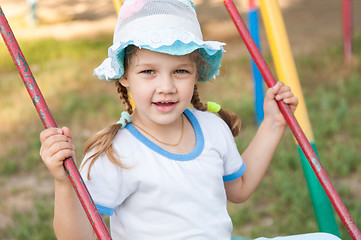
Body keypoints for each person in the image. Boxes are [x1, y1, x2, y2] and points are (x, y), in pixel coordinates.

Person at [39, 0, 341, 239]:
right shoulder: (115, 153)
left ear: (197, 72)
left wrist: (274, 123)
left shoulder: (211, 128)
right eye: (149, 72)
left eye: (180, 71)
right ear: (124, 76)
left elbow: (240, 188)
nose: (166, 86)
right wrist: (64, 184)